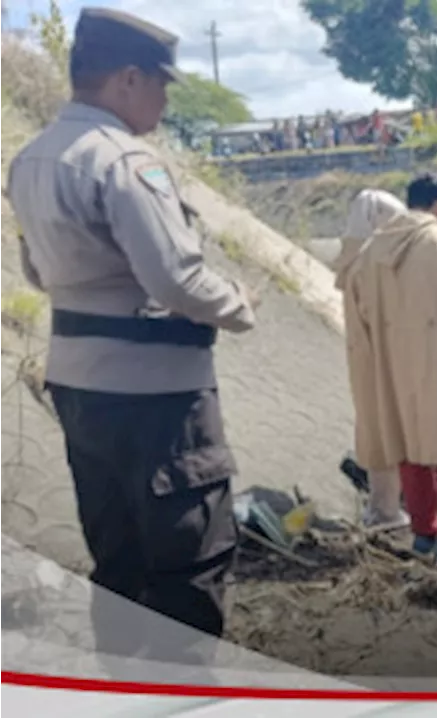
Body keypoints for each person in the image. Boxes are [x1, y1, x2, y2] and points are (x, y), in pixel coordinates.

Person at [6, 7, 258, 666]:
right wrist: (239, 304)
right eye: (160, 85)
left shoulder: (30, 158)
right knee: (189, 562)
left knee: (117, 562)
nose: (166, 99)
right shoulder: (124, 160)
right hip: (158, 395)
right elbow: (175, 278)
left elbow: (34, 268)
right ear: (126, 79)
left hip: (79, 384)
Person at [342, 173, 437, 563]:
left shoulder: (371, 250)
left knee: (409, 447)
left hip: (392, 364)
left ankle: (424, 532)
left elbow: (356, 306)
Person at [333, 189, 411, 530]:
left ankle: (385, 507)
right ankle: (386, 510)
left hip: (364, 358)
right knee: (387, 432)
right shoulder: (378, 262)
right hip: (386, 357)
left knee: (375, 429)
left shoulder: (353, 261)